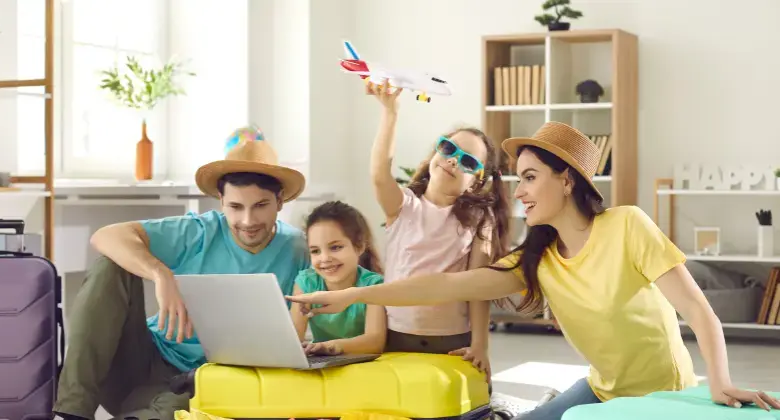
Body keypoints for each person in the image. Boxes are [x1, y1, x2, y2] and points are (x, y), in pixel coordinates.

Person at [287, 122, 780, 419]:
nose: (518, 191)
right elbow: (445, 283)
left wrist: (718, 381)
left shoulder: (628, 226)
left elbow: (697, 308)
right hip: (601, 386)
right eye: (515, 178)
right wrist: (353, 296)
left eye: (529, 177)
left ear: (566, 180)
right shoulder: (536, 259)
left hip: (661, 391)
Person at [53, 127, 310, 420]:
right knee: (111, 265)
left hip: (206, 384)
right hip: (139, 362)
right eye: (235, 207)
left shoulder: (299, 249)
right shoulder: (198, 231)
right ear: (221, 201)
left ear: (280, 200)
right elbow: (105, 236)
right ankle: (71, 413)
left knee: (177, 410)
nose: (247, 221)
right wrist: (161, 275)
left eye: (261, 206)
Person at [365, 79, 511, 378]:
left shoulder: (479, 219)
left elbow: (478, 286)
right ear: (435, 153)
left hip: (452, 340)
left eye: (468, 162)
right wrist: (390, 113)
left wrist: (480, 345)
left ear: (478, 181)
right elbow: (380, 174)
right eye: (448, 148)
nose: (453, 161)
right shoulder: (404, 206)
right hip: (396, 335)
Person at [290, 200, 387, 356]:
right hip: (324, 362)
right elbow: (293, 338)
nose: (325, 258)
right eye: (315, 251)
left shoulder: (374, 285)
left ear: (360, 246)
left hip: (364, 363)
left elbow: (375, 342)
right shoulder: (306, 282)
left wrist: (331, 346)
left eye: (335, 247)